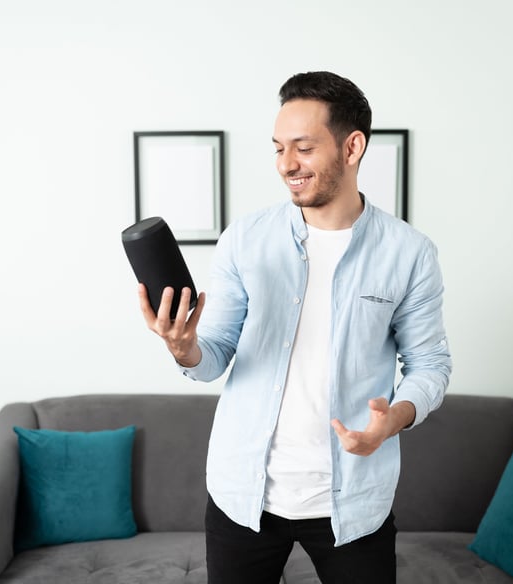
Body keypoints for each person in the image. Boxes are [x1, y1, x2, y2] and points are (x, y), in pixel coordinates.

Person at [138, 71, 452, 584]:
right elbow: (214, 353)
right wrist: (185, 348)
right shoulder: (244, 239)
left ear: (352, 148)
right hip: (244, 496)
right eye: (279, 148)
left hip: (353, 502)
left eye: (304, 148)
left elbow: (430, 364)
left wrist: (393, 419)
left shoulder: (410, 254)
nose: (287, 164)